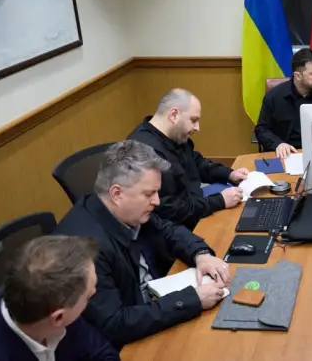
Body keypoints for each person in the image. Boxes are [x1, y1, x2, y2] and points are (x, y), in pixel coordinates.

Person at [54, 140, 230, 349]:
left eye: (157, 192)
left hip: (153, 305)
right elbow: (115, 324)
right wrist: (192, 300)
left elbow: (168, 230)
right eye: (149, 194)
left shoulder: (124, 210)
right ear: (117, 194)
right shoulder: (86, 250)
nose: (157, 201)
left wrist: (201, 254)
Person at [0, 235, 120, 360]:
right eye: (88, 296)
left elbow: (104, 353)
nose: (94, 292)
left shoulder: (52, 297)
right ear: (58, 317)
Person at [128, 88, 248, 231]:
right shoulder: (144, 151)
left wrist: (229, 174)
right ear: (174, 115)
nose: (197, 128)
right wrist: (219, 201)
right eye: (193, 120)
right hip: (174, 226)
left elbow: (196, 162)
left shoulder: (175, 135)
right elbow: (170, 209)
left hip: (194, 205)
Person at [254, 48, 312, 159]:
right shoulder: (274, 96)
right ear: (298, 76)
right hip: (284, 154)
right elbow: (261, 130)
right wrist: (278, 144)